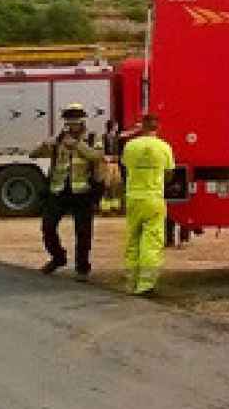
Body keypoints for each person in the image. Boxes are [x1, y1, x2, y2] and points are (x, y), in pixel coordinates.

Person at [29, 104, 106, 279]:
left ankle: (82, 268)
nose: (72, 126)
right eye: (69, 122)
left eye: (75, 122)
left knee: (83, 232)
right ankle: (58, 257)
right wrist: (44, 145)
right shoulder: (59, 139)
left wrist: (77, 145)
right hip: (59, 190)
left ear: (82, 122)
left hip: (83, 191)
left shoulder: (93, 138)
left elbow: (97, 156)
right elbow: (32, 155)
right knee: (48, 227)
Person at [120, 114, 175, 296]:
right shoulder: (164, 147)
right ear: (157, 127)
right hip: (154, 199)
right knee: (151, 241)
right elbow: (169, 174)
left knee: (133, 239)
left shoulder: (130, 146)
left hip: (133, 198)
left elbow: (125, 167)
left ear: (141, 126)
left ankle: (131, 282)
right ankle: (146, 284)